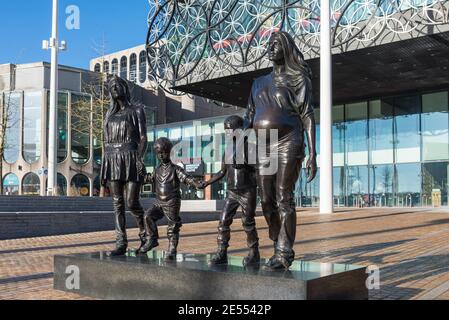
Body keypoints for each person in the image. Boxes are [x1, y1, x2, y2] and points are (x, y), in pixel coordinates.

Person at [244, 31, 317, 270]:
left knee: (284, 196)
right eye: (268, 44)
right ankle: (278, 241)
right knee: (266, 200)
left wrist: (313, 153)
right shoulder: (257, 83)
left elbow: (307, 115)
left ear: (286, 48)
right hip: (263, 145)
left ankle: (284, 252)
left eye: (275, 44)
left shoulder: (298, 78)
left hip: (288, 140)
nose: (270, 47)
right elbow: (249, 117)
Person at [100, 75, 148, 257]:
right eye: (111, 86)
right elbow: (105, 141)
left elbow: (143, 137)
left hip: (130, 156)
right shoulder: (109, 114)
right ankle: (121, 242)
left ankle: (145, 234)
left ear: (124, 88)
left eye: (117, 85)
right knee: (117, 203)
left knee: (131, 202)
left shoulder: (136, 110)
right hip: (112, 158)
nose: (114, 88)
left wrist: (139, 157)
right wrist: (105, 165)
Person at [204, 115, 260, 266]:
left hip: (247, 191)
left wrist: (245, 163)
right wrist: (207, 182)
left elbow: (260, 170)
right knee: (223, 221)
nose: (228, 134)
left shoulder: (251, 148)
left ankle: (254, 252)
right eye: (226, 131)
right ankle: (222, 252)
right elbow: (221, 172)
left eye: (231, 130)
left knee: (248, 222)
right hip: (232, 193)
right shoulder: (228, 150)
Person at [139, 137, 205, 261]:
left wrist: (196, 183)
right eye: (158, 153)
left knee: (172, 226)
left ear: (169, 152)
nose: (161, 155)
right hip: (158, 202)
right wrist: (140, 172)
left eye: (163, 152)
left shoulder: (176, 169)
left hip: (171, 202)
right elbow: (149, 178)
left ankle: (172, 248)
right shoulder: (157, 169)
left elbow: (186, 178)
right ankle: (152, 239)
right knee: (147, 216)